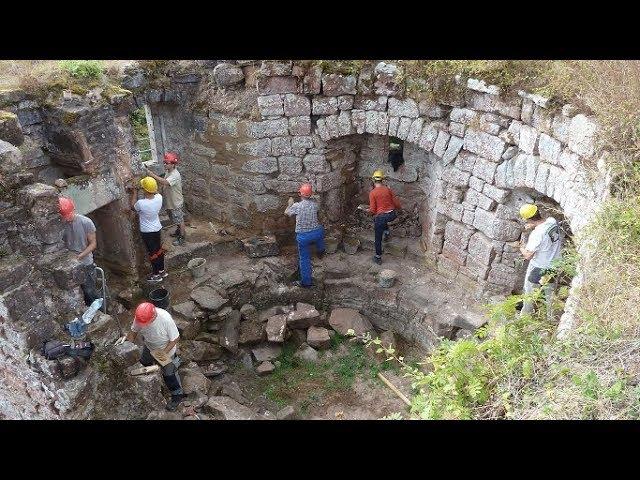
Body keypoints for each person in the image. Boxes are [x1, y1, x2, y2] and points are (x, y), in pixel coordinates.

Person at [125, 302, 185, 411]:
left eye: (146, 323)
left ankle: (177, 395)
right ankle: (154, 378)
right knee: (144, 362)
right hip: (149, 346)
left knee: (169, 374)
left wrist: (162, 355)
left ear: (154, 316)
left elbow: (175, 339)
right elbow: (133, 332)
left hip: (165, 349)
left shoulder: (165, 319)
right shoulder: (140, 317)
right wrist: (127, 347)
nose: (143, 325)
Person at [519, 203, 563, 321]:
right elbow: (544, 231)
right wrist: (532, 226)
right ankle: (552, 319)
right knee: (550, 294)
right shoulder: (552, 221)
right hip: (554, 265)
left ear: (528, 219)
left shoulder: (536, 234)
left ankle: (524, 318)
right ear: (537, 212)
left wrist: (521, 248)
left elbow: (528, 255)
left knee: (529, 293)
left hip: (539, 269)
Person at [58, 197, 100, 306]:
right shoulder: (61, 224)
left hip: (86, 262)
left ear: (74, 210)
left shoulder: (86, 222)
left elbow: (93, 244)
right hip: (71, 262)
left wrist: (80, 256)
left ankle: (99, 310)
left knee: (90, 290)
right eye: (65, 217)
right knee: (78, 292)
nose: (68, 219)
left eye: (69, 215)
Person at [284, 183, 325, 288]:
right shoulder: (315, 204)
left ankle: (306, 283)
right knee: (321, 231)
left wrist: (289, 204)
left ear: (299, 193)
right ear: (311, 194)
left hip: (304, 237)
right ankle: (321, 251)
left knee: (304, 258)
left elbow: (286, 213)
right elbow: (318, 209)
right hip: (316, 233)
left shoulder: (297, 206)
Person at [129, 176, 166, 282]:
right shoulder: (159, 197)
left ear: (145, 190)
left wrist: (135, 192)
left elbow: (133, 207)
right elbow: (155, 191)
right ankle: (162, 271)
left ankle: (155, 275)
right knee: (158, 250)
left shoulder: (141, 203)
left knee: (152, 253)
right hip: (157, 228)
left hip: (147, 232)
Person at [144, 152, 186, 246]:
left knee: (179, 220)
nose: (165, 164)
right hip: (170, 202)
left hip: (175, 202)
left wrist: (151, 174)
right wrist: (160, 191)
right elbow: (164, 184)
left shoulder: (175, 174)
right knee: (174, 219)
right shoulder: (168, 171)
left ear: (173, 164)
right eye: (164, 162)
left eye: (167, 163)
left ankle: (182, 237)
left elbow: (165, 182)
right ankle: (178, 231)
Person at [367, 170, 401, 265]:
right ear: (383, 180)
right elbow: (396, 203)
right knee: (383, 219)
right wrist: (399, 209)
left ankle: (378, 257)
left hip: (382, 217)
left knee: (377, 238)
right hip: (392, 215)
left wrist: (368, 212)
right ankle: (386, 232)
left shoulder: (372, 193)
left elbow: (373, 210)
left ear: (373, 180)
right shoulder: (388, 189)